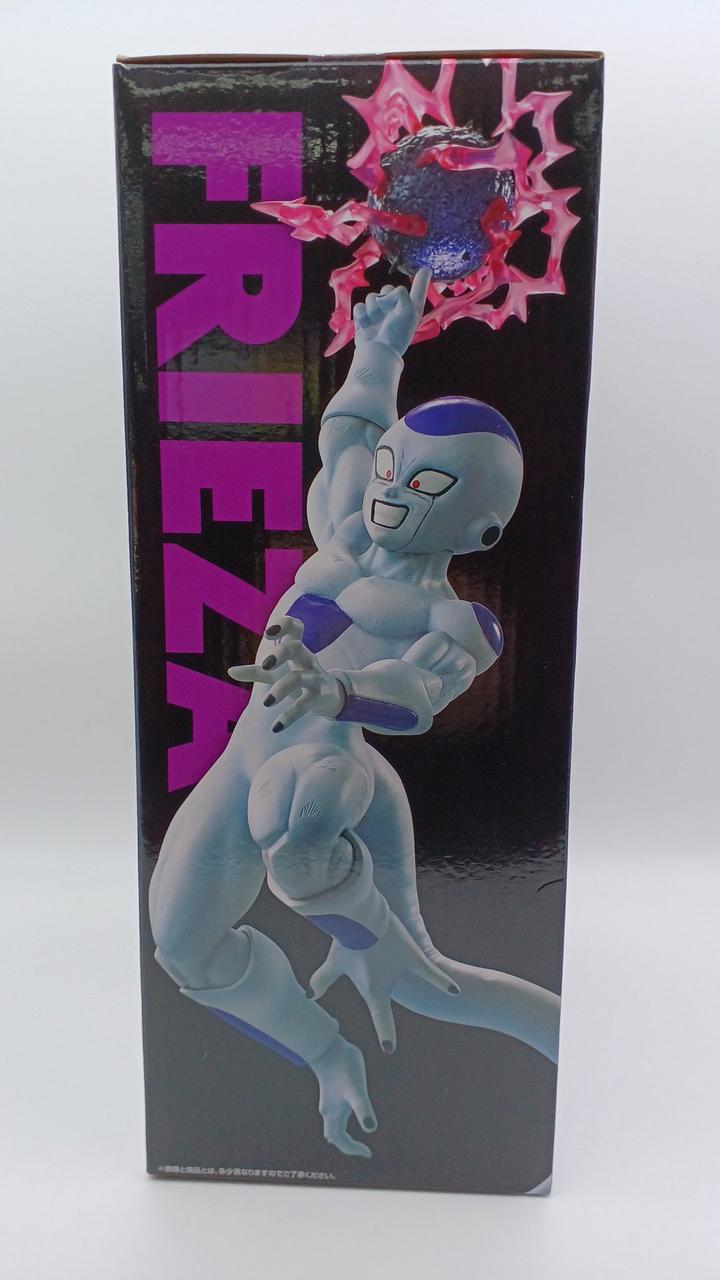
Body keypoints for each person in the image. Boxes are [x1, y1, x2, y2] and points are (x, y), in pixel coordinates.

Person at [149, 268, 559, 1159]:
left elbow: (416, 698)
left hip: (331, 768)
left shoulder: (456, 619)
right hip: (244, 759)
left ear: (480, 529)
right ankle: (331, 1055)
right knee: (182, 946)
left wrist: (336, 691)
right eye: (395, 471)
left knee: (295, 807)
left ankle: (368, 934)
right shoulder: (344, 526)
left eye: (428, 486)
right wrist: (379, 349)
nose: (393, 491)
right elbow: (352, 434)